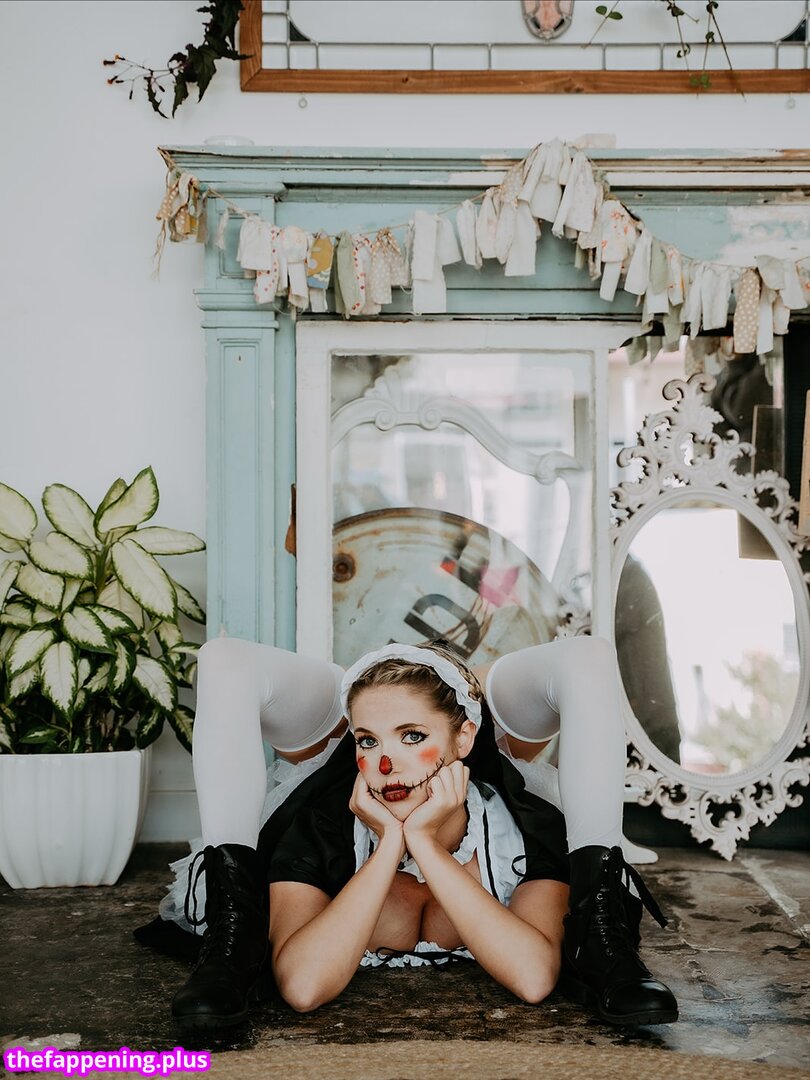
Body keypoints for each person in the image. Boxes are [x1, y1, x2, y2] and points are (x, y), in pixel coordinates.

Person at [136, 636, 677, 1029]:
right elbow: (302, 987)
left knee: (587, 655)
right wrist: (391, 844)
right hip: (367, 705)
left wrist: (424, 844)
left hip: (460, 707)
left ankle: (603, 940)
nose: (386, 763)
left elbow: (533, 979)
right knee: (223, 658)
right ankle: (230, 946)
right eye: (367, 743)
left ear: (465, 739)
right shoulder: (319, 829)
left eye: (411, 737)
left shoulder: (526, 832)